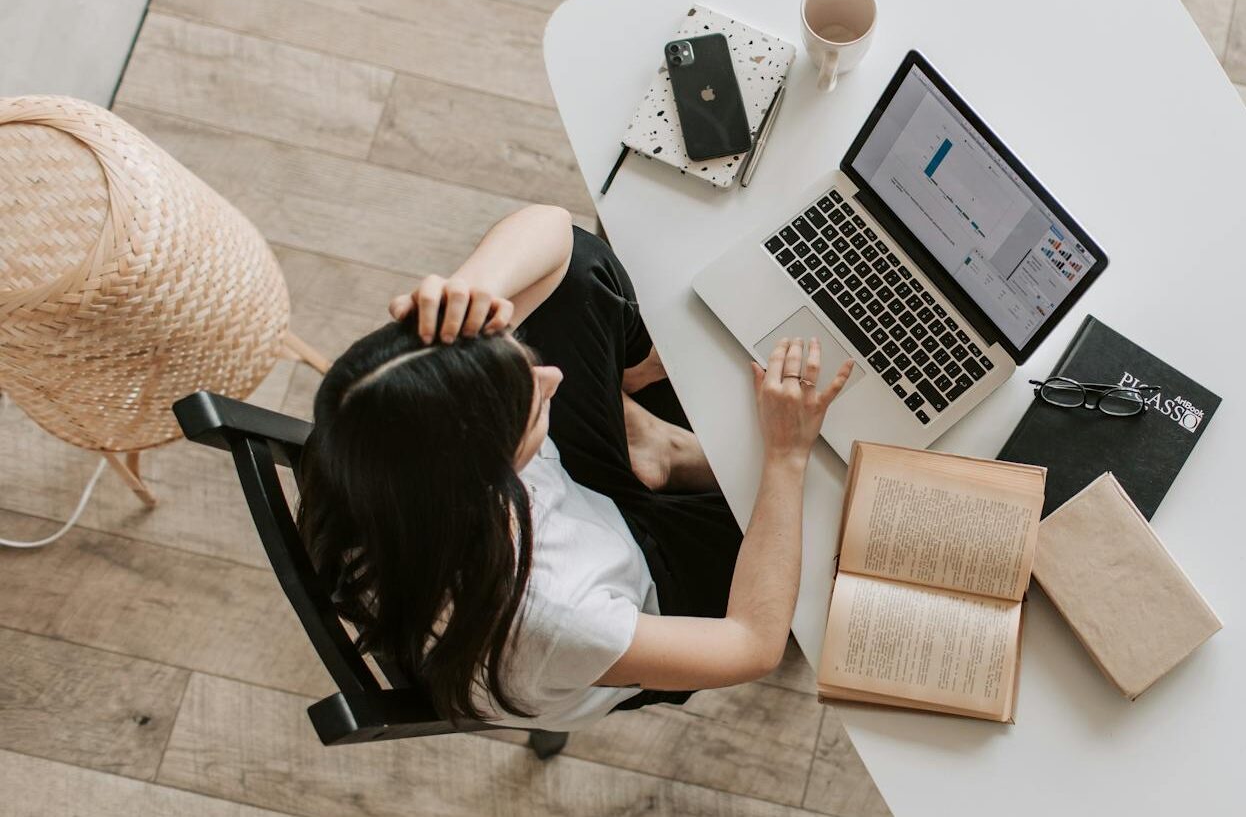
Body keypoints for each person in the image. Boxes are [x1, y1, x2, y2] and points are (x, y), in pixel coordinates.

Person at [295, 204, 852, 732]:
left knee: (581, 271)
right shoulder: (559, 618)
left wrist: (474, 289)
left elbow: (556, 234)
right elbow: (751, 644)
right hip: (643, 591)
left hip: (568, 513)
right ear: (493, 476)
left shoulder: (368, 434)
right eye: (530, 399)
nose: (552, 379)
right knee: (829, 517)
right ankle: (661, 450)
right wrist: (785, 454)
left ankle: (654, 448)